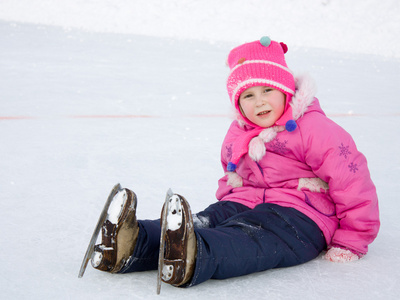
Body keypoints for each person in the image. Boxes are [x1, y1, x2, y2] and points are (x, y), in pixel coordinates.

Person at [89, 36, 380, 288]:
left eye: (268, 90)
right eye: (248, 96)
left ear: (286, 90)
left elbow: (352, 180)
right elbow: (231, 173)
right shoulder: (239, 131)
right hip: (247, 201)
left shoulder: (314, 129)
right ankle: (132, 241)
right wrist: (225, 207)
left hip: (301, 217)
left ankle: (195, 254)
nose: (260, 102)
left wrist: (353, 238)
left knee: (250, 237)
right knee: (206, 221)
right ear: (238, 103)